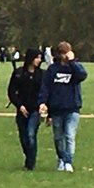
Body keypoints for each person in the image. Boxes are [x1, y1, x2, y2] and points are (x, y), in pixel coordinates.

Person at [38, 41, 88, 173]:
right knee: (58, 137)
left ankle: (68, 162)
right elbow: (46, 87)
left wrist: (72, 62)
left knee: (69, 136)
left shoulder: (75, 67)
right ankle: (61, 158)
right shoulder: (52, 69)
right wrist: (43, 103)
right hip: (56, 108)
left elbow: (82, 75)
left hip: (72, 107)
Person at [7, 49, 44, 170]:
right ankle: (29, 157)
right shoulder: (19, 73)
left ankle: (30, 164)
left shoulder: (42, 75)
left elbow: (45, 92)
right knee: (24, 138)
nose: (39, 60)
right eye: (37, 57)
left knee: (31, 134)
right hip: (22, 109)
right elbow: (12, 91)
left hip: (35, 110)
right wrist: (19, 105)